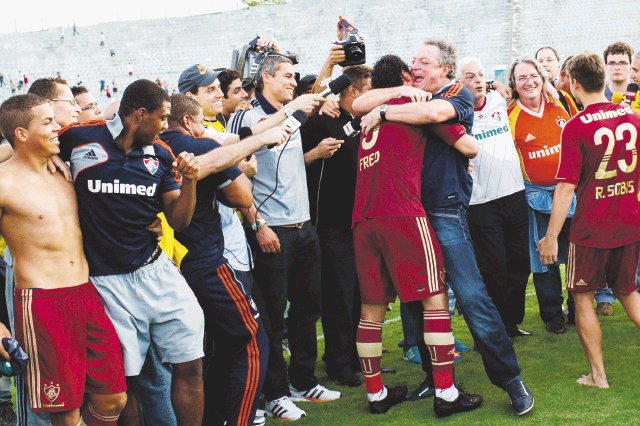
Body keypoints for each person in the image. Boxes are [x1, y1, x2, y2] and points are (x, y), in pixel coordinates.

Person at [354, 38, 534, 416]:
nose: (415, 66)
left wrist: (385, 113)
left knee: (471, 296)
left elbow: (440, 120)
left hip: (443, 210)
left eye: (423, 61)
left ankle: (510, 380)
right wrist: (398, 94)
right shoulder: (409, 98)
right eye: (413, 61)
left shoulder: (457, 95)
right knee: (418, 303)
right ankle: (436, 381)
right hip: (410, 214)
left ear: (443, 70)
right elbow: (357, 104)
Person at [57, 79, 206, 425]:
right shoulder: (80, 138)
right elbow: (28, 150)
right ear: (139, 115)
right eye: (162, 118)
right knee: (123, 384)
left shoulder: (162, 154)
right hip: (104, 281)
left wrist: (192, 182)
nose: (167, 126)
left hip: (155, 272)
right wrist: (52, 162)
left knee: (190, 363)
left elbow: (179, 221)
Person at [352, 54, 482, 418]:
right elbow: (469, 146)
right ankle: (446, 392)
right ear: (408, 77)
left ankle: (376, 395)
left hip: (363, 220)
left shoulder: (367, 115)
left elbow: (359, 103)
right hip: (403, 213)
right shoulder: (410, 103)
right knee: (435, 301)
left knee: (371, 311)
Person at [161, 94, 289, 426]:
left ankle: (214, 418)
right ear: (189, 121)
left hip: (168, 267)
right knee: (251, 340)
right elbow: (242, 194)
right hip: (205, 260)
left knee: (205, 351)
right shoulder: (199, 147)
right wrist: (239, 169)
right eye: (201, 123)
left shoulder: (157, 147)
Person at [0, 93, 127, 426]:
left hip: (86, 294)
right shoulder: (3, 183)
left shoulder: (66, 172)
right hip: (42, 302)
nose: (58, 127)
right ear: (21, 134)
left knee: (114, 397)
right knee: (65, 412)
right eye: (47, 122)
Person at [228, 54, 340, 422]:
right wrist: (257, 224)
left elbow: (316, 97)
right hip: (271, 231)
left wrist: (330, 65)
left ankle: (302, 382)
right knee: (273, 318)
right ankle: (274, 393)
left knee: (308, 309)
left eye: (295, 77)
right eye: (287, 76)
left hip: (304, 227)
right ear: (265, 77)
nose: (293, 82)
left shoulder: (291, 112)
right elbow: (239, 169)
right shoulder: (248, 115)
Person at [538, 52, 640, 388]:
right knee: (628, 291)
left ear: (575, 82)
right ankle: (597, 375)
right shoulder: (633, 118)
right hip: (629, 220)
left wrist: (551, 236)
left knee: (583, 296)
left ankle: (598, 376)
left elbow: (565, 188)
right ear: (604, 78)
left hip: (591, 227)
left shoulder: (575, 126)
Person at [301, 64, 372, 388]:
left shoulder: (360, 121)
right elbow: (302, 111)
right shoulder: (323, 118)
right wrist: (324, 95)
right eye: (368, 90)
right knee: (339, 296)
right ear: (353, 92)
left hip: (359, 222)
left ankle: (358, 357)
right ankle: (338, 363)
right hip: (331, 224)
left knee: (359, 293)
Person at [458, 57, 531, 336]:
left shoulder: (499, 100)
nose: (477, 80)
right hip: (480, 202)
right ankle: (492, 328)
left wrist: (492, 83)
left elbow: (519, 86)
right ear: (458, 82)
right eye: (470, 76)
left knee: (519, 265)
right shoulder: (457, 111)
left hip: (514, 193)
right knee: (493, 270)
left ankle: (510, 323)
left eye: (481, 75)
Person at [507, 58, 573, 334]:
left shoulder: (562, 103)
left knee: (575, 253)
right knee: (545, 255)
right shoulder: (510, 114)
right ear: (514, 84)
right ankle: (552, 313)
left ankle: (578, 306)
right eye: (521, 78)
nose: (529, 82)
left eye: (533, 75)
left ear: (542, 78)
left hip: (570, 193)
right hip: (537, 198)